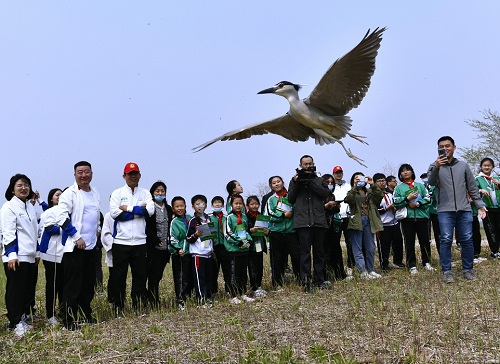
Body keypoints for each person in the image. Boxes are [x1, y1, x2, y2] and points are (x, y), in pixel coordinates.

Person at [427, 136, 487, 283]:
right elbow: (431, 182)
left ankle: (468, 269)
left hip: (464, 209)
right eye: (442, 146)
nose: (445, 149)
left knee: (467, 239)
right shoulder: (433, 166)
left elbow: (472, 187)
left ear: (454, 147)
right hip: (444, 210)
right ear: (438, 149)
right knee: (446, 239)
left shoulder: (463, 166)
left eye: (448, 146)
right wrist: (437, 167)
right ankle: (447, 271)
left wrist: (479, 204)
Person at [57, 161, 100, 330]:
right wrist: (76, 237)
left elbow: (95, 216)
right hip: (75, 247)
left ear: (91, 173)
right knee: (73, 285)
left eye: (87, 172)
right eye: (80, 172)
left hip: (91, 246)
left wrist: (96, 231)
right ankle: (68, 319)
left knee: (88, 283)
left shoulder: (95, 193)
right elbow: (61, 217)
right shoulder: (70, 193)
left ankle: (85, 314)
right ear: (75, 175)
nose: (83, 175)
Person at [110, 162, 154, 315]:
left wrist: (128, 208)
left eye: (135, 173)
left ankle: (138, 306)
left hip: (140, 242)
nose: (133, 176)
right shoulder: (117, 193)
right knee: (119, 277)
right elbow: (116, 214)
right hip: (121, 242)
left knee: (140, 276)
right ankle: (118, 308)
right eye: (130, 174)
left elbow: (150, 211)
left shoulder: (146, 193)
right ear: (124, 176)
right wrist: (139, 210)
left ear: (140, 175)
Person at [1, 174, 39, 337]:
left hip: (30, 256)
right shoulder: (8, 207)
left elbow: (34, 231)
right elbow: (8, 232)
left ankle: (23, 317)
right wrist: (11, 254)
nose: (24, 188)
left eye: (26, 185)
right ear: (12, 189)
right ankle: (14, 322)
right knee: (15, 290)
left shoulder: (29, 207)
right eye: (20, 185)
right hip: (16, 256)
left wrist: (37, 252)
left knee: (28, 289)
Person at [288, 155, 330, 291]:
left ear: (314, 164)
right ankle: (306, 282)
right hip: (303, 222)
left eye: (310, 163)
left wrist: (310, 182)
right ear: (300, 166)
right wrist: (296, 183)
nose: (307, 166)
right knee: (305, 253)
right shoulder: (294, 181)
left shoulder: (319, 180)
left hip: (318, 221)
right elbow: (290, 199)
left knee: (319, 253)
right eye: (305, 164)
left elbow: (325, 194)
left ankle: (320, 280)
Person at [394, 164, 435, 275]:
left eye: (408, 170)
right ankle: (411, 265)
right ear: (400, 174)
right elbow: (396, 202)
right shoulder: (398, 188)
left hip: (422, 218)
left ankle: (426, 262)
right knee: (409, 242)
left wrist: (417, 203)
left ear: (412, 172)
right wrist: (407, 199)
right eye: (403, 171)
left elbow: (428, 199)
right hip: (407, 219)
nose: (405, 172)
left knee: (425, 241)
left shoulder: (420, 186)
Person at [344, 172, 383, 279]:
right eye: (357, 178)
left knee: (370, 247)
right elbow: (348, 200)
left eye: (361, 178)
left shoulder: (370, 191)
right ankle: (362, 271)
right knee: (357, 247)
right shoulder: (352, 192)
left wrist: (373, 185)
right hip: (357, 221)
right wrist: (354, 187)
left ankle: (371, 270)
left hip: (369, 220)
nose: (359, 180)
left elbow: (379, 197)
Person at [264, 176, 300, 288]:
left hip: (291, 232)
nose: (276, 184)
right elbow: (268, 215)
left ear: (283, 182)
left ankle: (300, 280)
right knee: (277, 259)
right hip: (276, 233)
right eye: (273, 183)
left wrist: (291, 213)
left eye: (278, 182)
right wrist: (283, 215)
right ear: (271, 186)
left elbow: (297, 210)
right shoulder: (270, 199)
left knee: (296, 256)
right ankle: (277, 283)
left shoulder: (291, 197)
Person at [145, 181, 173, 308]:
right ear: (152, 193)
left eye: (162, 191)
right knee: (152, 275)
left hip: (165, 248)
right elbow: (146, 227)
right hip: (153, 247)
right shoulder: (150, 208)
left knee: (159, 275)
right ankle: (152, 300)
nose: (160, 193)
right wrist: (155, 239)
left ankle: (152, 297)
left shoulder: (168, 209)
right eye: (157, 191)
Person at [39, 188, 64, 325]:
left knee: (63, 284)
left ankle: (62, 310)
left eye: (62, 194)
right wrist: (68, 228)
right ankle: (50, 314)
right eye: (57, 195)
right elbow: (50, 228)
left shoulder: (67, 211)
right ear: (51, 199)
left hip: (64, 253)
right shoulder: (48, 212)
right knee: (53, 284)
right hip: (51, 253)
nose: (60, 197)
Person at [224, 194, 254, 304]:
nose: (238, 205)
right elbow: (228, 233)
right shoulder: (228, 217)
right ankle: (233, 295)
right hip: (233, 250)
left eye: (240, 203)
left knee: (243, 273)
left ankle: (242, 293)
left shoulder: (244, 216)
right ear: (231, 205)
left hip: (244, 249)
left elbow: (245, 231)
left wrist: (249, 241)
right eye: (236, 203)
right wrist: (239, 241)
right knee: (234, 273)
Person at [186, 195, 214, 307]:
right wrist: (196, 235)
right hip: (198, 254)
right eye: (197, 204)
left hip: (208, 254)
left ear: (206, 206)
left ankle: (208, 297)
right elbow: (188, 238)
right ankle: (201, 299)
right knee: (200, 278)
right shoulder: (193, 221)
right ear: (193, 206)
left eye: (202, 204)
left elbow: (210, 236)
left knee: (208, 277)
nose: (200, 206)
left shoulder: (208, 218)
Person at [373, 173, 404, 271]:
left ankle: (398, 262)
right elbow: (374, 210)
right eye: (379, 181)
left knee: (398, 243)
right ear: (375, 183)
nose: (382, 183)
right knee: (384, 247)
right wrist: (387, 208)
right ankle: (384, 265)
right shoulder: (374, 195)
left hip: (394, 222)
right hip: (383, 224)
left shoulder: (390, 193)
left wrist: (395, 208)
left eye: (383, 180)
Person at [169, 196, 193, 310]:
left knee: (190, 276)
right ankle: (180, 300)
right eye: (177, 206)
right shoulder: (174, 221)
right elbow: (172, 239)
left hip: (191, 252)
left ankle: (189, 297)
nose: (180, 208)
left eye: (182, 206)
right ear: (173, 208)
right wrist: (179, 249)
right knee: (181, 277)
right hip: (180, 253)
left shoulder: (190, 218)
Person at [322, 173, 347, 280]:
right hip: (323, 227)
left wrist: (336, 206)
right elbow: (317, 210)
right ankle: (326, 275)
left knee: (336, 249)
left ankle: (340, 273)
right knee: (325, 251)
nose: (330, 184)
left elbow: (334, 211)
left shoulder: (332, 196)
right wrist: (326, 206)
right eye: (327, 182)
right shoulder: (319, 196)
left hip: (333, 226)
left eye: (332, 182)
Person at [331, 166, 354, 275]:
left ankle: (351, 265)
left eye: (340, 172)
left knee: (350, 242)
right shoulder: (331, 186)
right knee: (335, 242)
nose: (338, 174)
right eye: (336, 173)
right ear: (333, 174)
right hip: (336, 217)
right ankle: (337, 267)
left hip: (347, 217)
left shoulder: (348, 186)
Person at [475, 157, 500, 259]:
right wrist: (481, 190)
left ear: (492, 167)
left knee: (499, 229)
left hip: (498, 207)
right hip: (486, 209)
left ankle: (498, 250)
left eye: (489, 165)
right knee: (490, 230)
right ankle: (494, 251)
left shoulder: (497, 178)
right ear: (481, 167)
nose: (487, 167)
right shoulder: (478, 179)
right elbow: (472, 191)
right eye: (484, 165)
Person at [246, 195, 268, 298]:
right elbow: (242, 231)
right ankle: (254, 287)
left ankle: (259, 286)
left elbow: (267, 230)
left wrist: (266, 231)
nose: (254, 206)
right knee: (252, 267)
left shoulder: (261, 215)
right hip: (251, 245)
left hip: (260, 243)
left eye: (256, 204)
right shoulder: (245, 217)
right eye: (252, 204)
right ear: (247, 205)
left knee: (259, 266)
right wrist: (250, 230)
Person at [209, 196, 229, 296]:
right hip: (213, 247)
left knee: (227, 269)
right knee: (213, 271)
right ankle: (213, 291)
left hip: (225, 247)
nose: (217, 204)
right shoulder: (208, 218)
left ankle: (228, 290)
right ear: (212, 205)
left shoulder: (226, 218)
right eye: (215, 203)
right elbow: (205, 235)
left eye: (219, 203)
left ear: (223, 205)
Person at [421, 173, 441, 256]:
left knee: (439, 235)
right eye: (423, 178)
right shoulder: (422, 187)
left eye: (426, 177)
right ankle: (427, 257)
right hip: (426, 213)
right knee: (426, 236)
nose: (425, 179)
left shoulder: (434, 186)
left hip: (436, 212)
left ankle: (442, 255)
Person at [100, 211, 115, 305]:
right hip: (115, 249)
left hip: (131, 247)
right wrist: (114, 244)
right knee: (114, 276)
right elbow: (105, 234)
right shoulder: (109, 215)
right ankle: (112, 300)